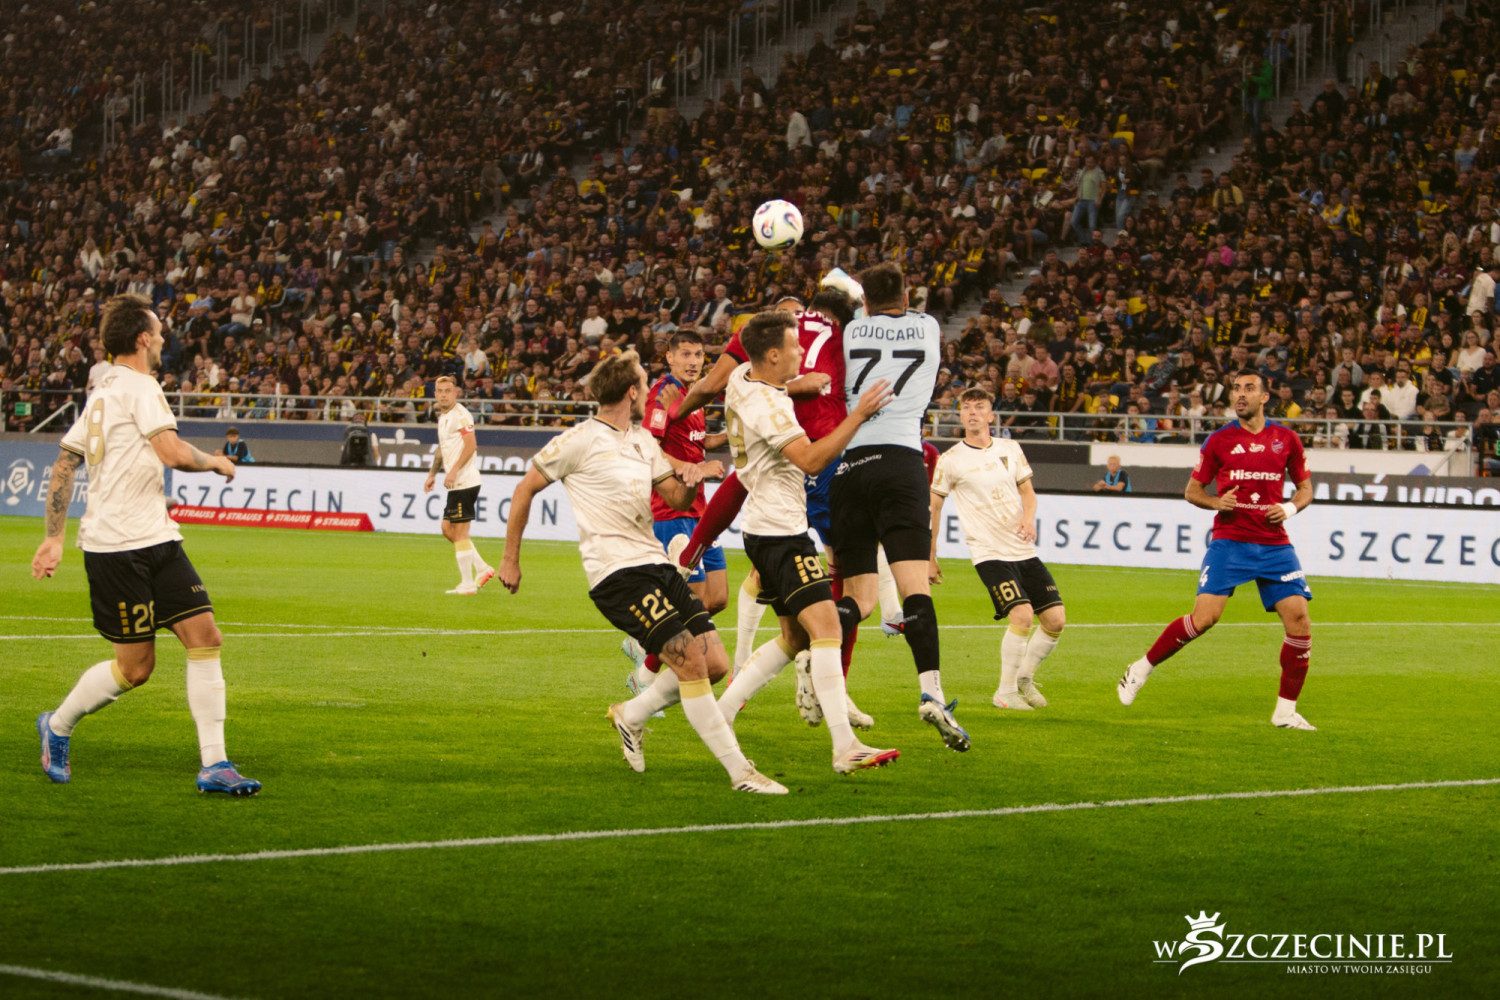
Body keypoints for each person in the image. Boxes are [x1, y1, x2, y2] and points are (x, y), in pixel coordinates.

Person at [497, 351, 785, 794]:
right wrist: (510, 559)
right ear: (632, 392)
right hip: (616, 573)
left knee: (714, 664)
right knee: (690, 662)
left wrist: (693, 475)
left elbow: (676, 499)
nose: (650, 391)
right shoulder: (579, 439)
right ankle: (740, 772)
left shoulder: (643, 442)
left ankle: (630, 715)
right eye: (645, 384)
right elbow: (524, 489)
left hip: (655, 563)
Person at [30, 294, 259, 794]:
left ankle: (215, 764)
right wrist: (217, 461)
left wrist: (53, 537)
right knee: (136, 669)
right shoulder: (139, 385)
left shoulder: (104, 389)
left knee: (205, 636)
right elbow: (172, 453)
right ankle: (58, 725)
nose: (162, 340)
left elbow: (65, 462)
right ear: (142, 339)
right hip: (117, 548)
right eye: (158, 332)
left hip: (157, 537)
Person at [714, 310, 899, 773]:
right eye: (795, 346)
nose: (802, 352)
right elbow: (813, 460)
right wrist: (858, 415)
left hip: (764, 529)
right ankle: (845, 746)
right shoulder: (770, 406)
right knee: (828, 629)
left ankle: (720, 715)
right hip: (781, 534)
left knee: (795, 637)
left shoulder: (740, 379)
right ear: (773, 355)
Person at [1117, 370, 1317, 730]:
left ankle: (1285, 712)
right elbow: (1192, 491)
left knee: (1300, 621)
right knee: (1205, 618)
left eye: (1249, 389)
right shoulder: (1219, 440)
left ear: (1264, 397)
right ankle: (1140, 668)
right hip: (1231, 541)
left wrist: (1288, 509)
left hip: (1274, 544)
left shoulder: (1286, 439)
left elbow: (1305, 489)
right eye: (1236, 389)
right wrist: (1216, 502)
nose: (1240, 395)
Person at [832, 261, 970, 751]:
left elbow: (854, 308)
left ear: (865, 301)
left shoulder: (849, 330)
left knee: (859, 599)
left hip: (850, 464)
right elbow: (888, 309)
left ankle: (810, 655)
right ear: (907, 297)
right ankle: (932, 693)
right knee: (915, 590)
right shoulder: (928, 326)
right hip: (902, 464)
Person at [929, 388, 1067, 710]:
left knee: (1056, 620)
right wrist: (930, 557)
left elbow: (1028, 493)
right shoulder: (950, 460)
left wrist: (1029, 518)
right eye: (967, 407)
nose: (972, 412)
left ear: (991, 415)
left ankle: (1024, 678)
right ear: (961, 416)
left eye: (980, 407)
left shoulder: (1011, 448)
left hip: (1023, 549)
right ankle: (1005, 692)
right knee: (1022, 615)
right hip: (988, 553)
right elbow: (934, 509)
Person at [619, 330, 730, 698]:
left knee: (717, 597)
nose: (693, 361)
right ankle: (646, 673)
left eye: (698, 354)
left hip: (699, 510)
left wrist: (729, 437)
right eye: (685, 354)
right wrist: (691, 469)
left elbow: (696, 442)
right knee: (690, 599)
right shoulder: (662, 394)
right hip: (671, 509)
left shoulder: (693, 396)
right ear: (669, 357)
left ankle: (643, 643)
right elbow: (648, 447)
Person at [424, 375, 495, 594]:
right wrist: (432, 473)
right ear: (435, 394)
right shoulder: (443, 417)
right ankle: (482, 568)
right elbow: (441, 449)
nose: (444, 395)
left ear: (455, 393)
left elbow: (471, 445)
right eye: (440, 391)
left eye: (448, 391)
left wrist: (454, 470)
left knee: (461, 532)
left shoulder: (461, 415)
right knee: (448, 529)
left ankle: (467, 584)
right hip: (457, 483)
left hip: (465, 481)